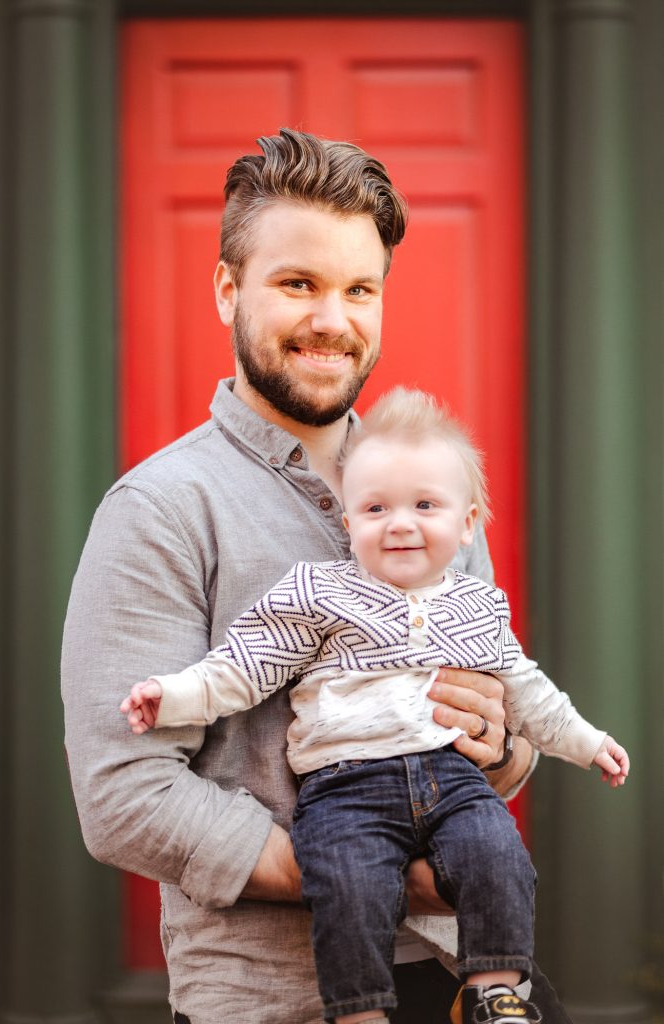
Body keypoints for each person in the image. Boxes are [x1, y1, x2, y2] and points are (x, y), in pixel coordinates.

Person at [62, 128, 574, 1024]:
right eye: (297, 284)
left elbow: (500, 736)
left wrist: (502, 744)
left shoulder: (433, 488)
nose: (332, 320)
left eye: (358, 290)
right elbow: (123, 798)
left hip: (469, 978)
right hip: (274, 998)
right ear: (228, 288)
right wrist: (370, 875)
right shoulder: (159, 509)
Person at [120, 388, 629, 1024]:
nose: (401, 522)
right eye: (377, 508)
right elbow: (246, 666)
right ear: (349, 523)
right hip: (345, 786)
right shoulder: (321, 593)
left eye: (425, 505)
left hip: (452, 783)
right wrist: (173, 694)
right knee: (348, 884)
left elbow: (529, 694)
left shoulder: (478, 607)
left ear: (467, 523)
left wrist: (586, 742)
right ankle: (358, 1011)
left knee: (499, 855)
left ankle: (494, 990)